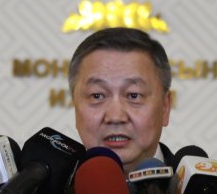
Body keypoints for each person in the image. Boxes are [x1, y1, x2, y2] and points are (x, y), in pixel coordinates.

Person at [68, 27, 174, 173]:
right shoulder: (43, 186)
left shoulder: (200, 187)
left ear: (165, 108)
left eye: (134, 95)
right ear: (75, 106)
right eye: (97, 96)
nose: (115, 117)